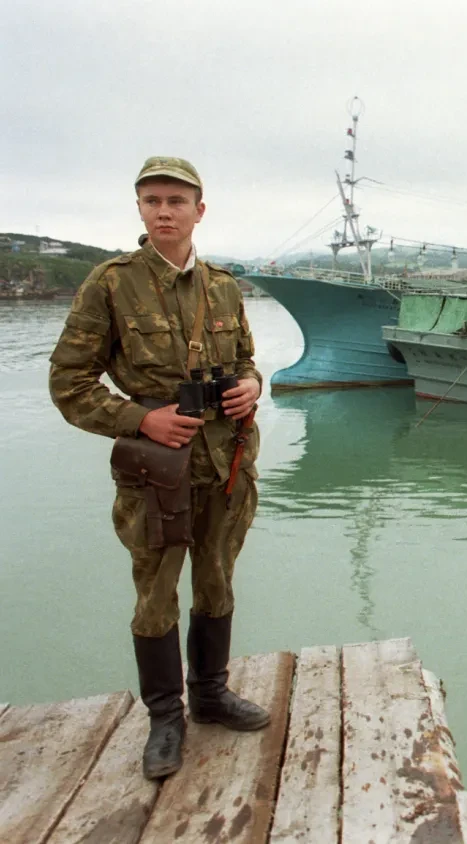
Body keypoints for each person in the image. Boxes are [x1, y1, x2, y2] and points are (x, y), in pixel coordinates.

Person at [49, 156, 268, 780]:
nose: (164, 211)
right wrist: (140, 420)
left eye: (176, 201)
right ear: (140, 210)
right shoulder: (111, 284)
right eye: (153, 201)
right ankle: (166, 718)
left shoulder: (223, 286)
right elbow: (68, 383)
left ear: (200, 210)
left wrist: (252, 385)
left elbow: (246, 359)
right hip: (157, 471)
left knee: (218, 580)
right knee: (156, 594)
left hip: (225, 463)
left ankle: (211, 694)